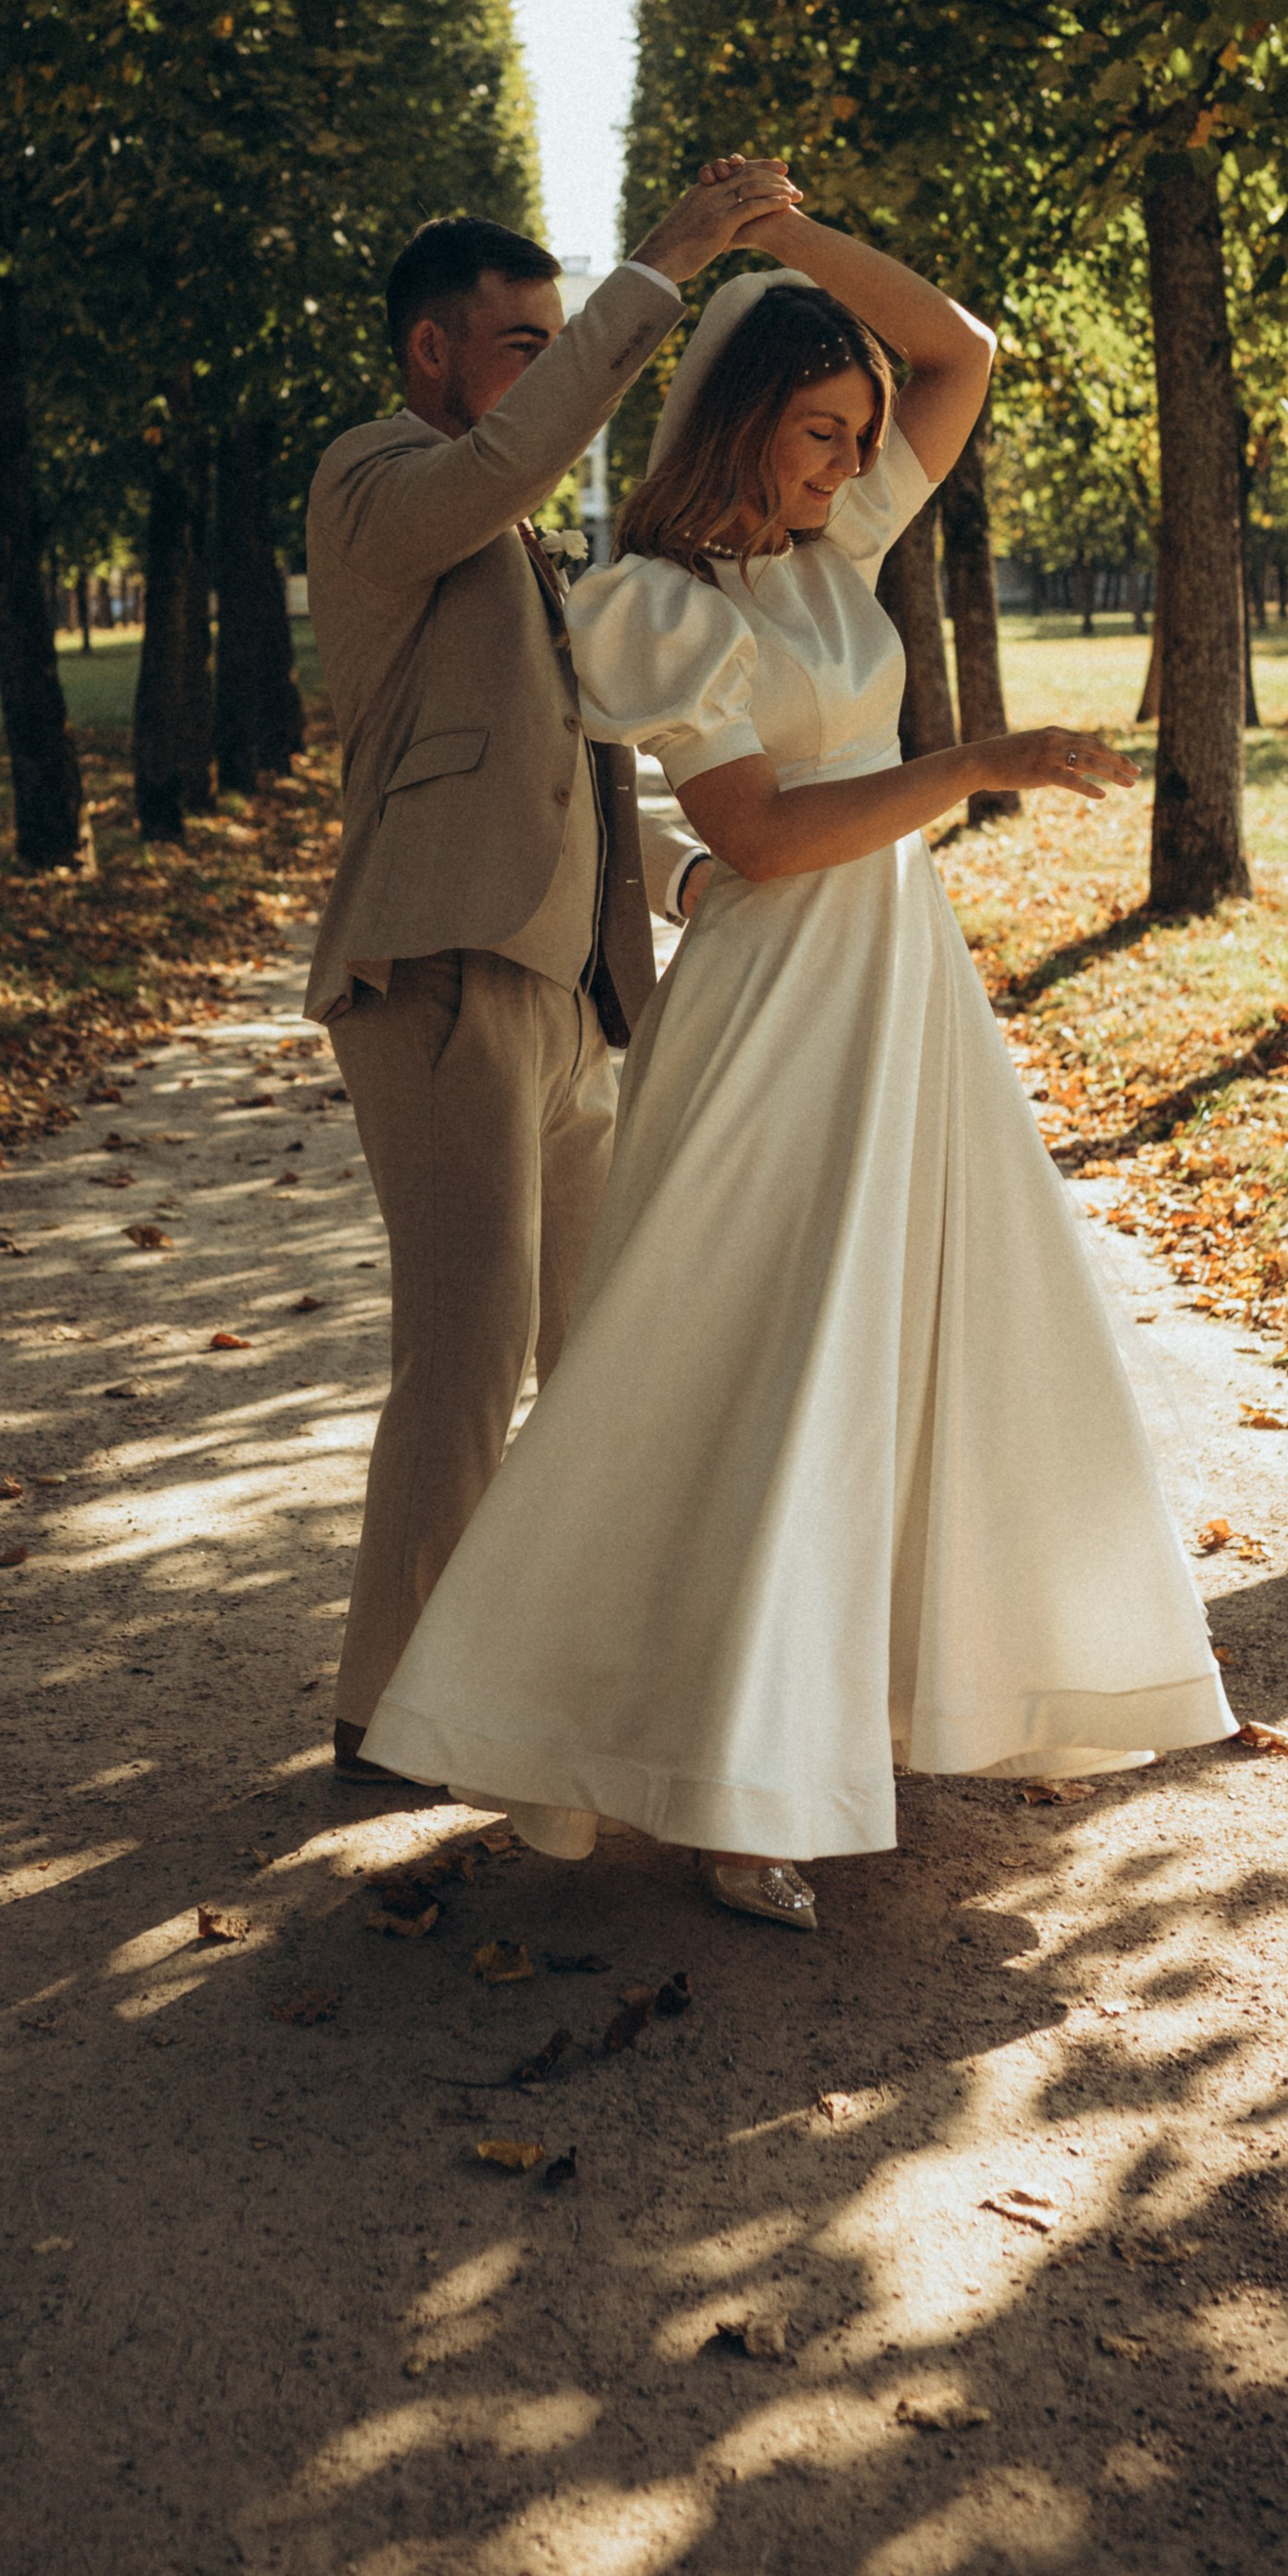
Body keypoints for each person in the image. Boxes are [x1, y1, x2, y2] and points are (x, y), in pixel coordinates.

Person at [362, 190, 1236, 1924]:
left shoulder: (836, 548)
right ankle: (732, 1779)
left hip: (902, 986)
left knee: (931, 1329)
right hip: (776, 1001)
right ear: (745, 422)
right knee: (757, 1355)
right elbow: (754, 836)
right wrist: (971, 763)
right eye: (821, 433)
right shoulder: (655, 603)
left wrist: (795, 238)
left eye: (855, 438)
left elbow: (960, 351)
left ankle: (903, 1702)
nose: (851, 464)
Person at [307, 161, 805, 1783]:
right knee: (464, 1353)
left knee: (600, 1351)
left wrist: (688, 876)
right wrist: (657, 269)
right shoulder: (381, 483)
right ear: (431, 357)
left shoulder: (520, 546)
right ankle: (388, 1716)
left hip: (581, 1000)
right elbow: (521, 454)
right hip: (444, 975)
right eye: (525, 340)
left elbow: (571, 772)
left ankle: (587, 1673)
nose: (552, 364)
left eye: (555, 335)